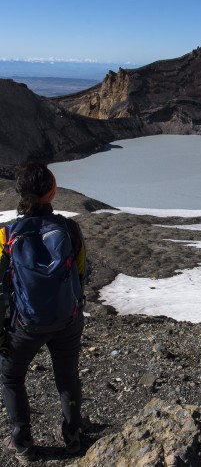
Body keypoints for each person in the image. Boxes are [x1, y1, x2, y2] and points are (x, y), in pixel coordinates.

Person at [0, 162, 87, 463]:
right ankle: (73, 434)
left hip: (25, 324)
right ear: (52, 191)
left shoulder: (5, 236)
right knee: (67, 375)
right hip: (67, 318)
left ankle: (22, 443)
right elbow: (81, 273)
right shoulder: (68, 228)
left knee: (12, 377)